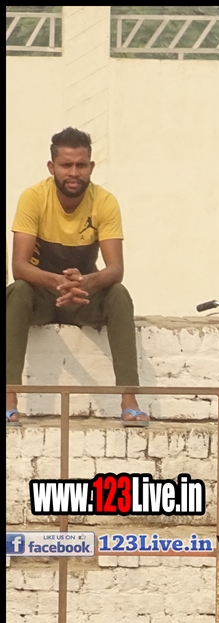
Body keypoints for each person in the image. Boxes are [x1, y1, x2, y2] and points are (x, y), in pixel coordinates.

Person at [6, 127, 146, 427]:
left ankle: (129, 399)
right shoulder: (33, 198)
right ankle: (8, 398)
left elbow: (115, 269)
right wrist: (58, 282)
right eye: (66, 165)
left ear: (91, 167)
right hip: (42, 296)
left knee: (119, 294)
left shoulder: (104, 201)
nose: (73, 173)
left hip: (83, 297)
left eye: (81, 165)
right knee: (17, 290)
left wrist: (85, 283)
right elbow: (19, 266)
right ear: (51, 167)